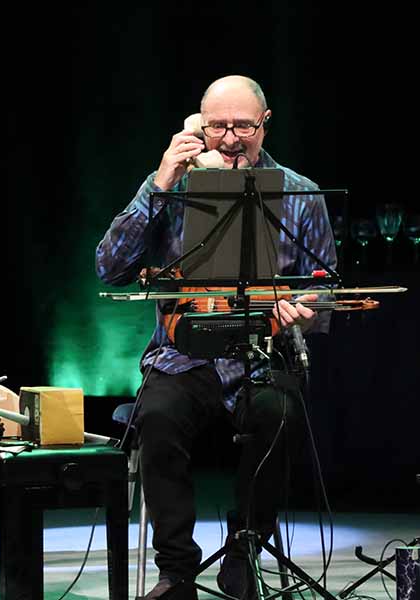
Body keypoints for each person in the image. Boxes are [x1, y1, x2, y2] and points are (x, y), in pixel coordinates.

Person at [95, 75, 337, 600]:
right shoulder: (168, 185)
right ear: (199, 126)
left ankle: (245, 548)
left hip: (262, 355)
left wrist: (303, 310)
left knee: (280, 414)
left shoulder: (299, 192)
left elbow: (326, 292)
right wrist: (160, 185)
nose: (230, 138)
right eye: (217, 126)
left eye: (243, 126)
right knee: (156, 416)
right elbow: (109, 268)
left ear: (264, 124)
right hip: (183, 357)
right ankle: (176, 570)